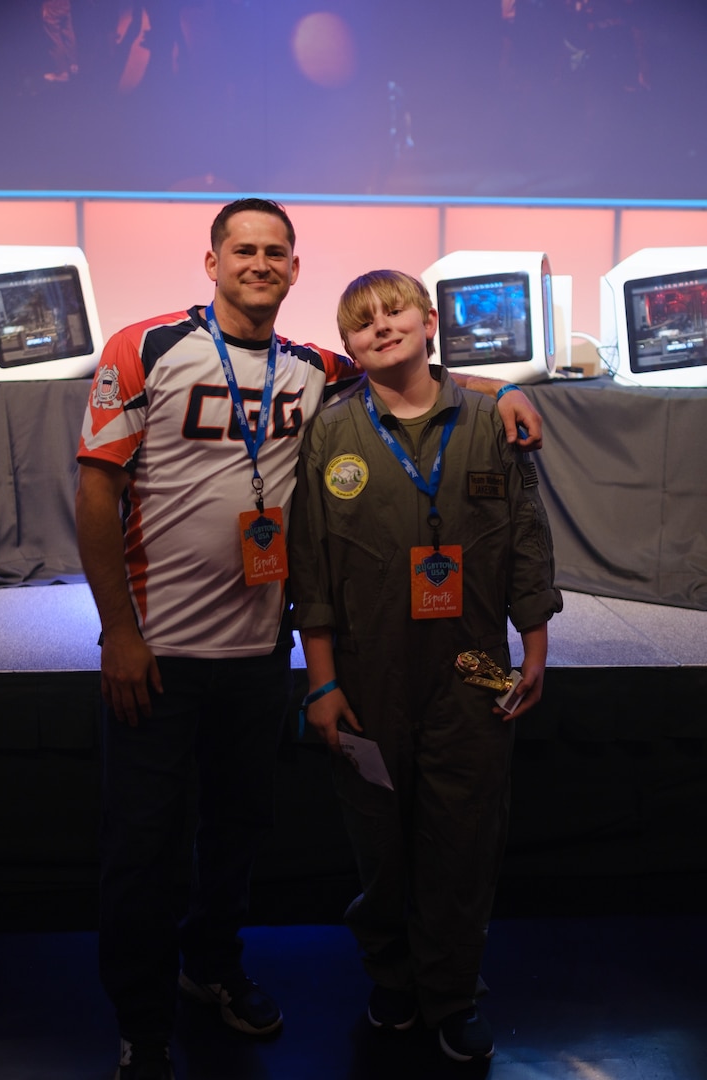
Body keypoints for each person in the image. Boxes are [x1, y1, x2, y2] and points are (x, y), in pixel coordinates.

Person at [74, 199, 545, 1080]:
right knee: (143, 847)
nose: (259, 263)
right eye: (243, 249)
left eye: (276, 252)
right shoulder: (142, 348)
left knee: (235, 836)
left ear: (295, 269)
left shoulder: (314, 368)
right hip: (157, 652)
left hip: (258, 656)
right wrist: (117, 633)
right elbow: (97, 491)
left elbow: (410, 373)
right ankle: (142, 1023)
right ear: (211, 259)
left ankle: (210, 970)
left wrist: (505, 387)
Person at [289, 269, 562, 1064]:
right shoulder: (331, 434)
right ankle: (394, 979)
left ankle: (450, 991)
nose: (381, 327)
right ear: (346, 346)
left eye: (395, 311)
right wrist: (324, 684)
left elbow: (525, 539)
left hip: (474, 668)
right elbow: (311, 572)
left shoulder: (490, 420)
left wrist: (535, 645)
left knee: (462, 841)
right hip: (368, 675)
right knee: (379, 841)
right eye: (361, 322)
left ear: (431, 321)